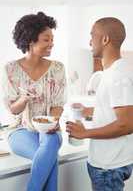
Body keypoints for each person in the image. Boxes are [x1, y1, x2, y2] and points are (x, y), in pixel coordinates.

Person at [2, 12, 66, 191]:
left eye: (52, 39)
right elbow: (13, 110)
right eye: (46, 39)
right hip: (20, 130)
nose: (51, 43)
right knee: (49, 158)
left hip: (49, 129)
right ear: (31, 40)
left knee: (50, 144)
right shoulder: (11, 69)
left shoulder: (58, 68)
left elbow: (58, 104)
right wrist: (23, 99)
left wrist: (52, 121)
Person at [66, 17, 133, 191]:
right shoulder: (112, 72)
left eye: (92, 35)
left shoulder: (118, 76)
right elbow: (114, 110)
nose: (90, 41)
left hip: (108, 166)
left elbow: (126, 124)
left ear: (105, 39)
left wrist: (85, 133)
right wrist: (88, 110)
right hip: (107, 162)